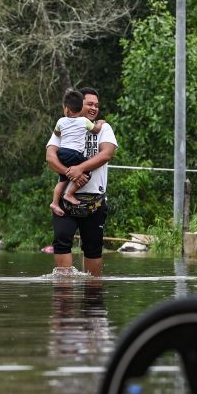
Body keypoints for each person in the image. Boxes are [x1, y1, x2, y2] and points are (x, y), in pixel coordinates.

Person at [46, 87, 117, 276]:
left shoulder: (104, 128)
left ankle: (93, 292)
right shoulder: (64, 124)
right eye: (89, 104)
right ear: (78, 106)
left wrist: (81, 168)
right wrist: (71, 173)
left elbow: (106, 154)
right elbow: (50, 157)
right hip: (66, 199)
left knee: (93, 247)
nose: (94, 108)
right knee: (61, 241)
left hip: (94, 200)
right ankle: (64, 292)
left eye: (97, 105)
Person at [50, 88, 106, 216]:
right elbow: (96, 130)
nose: (94, 108)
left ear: (66, 109)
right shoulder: (84, 121)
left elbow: (57, 133)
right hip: (75, 154)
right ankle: (69, 194)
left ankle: (54, 202)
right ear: (81, 109)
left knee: (62, 180)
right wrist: (100, 122)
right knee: (87, 168)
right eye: (90, 104)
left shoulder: (60, 121)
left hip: (62, 153)